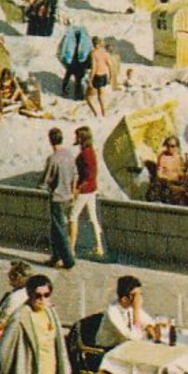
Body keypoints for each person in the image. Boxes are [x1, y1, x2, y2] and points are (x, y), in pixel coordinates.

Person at [40, 127, 77, 269]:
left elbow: (45, 180)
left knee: (59, 230)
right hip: (68, 196)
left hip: (57, 197)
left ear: (50, 140)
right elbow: (75, 175)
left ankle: (68, 260)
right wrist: (73, 193)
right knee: (56, 229)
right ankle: (55, 257)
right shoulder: (69, 155)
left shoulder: (53, 159)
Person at [95, 275, 164, 349]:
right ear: (125, 299)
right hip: (108, 350)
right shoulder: (113, 313)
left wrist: (148, 327)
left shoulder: (129, 307)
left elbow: (150, 322)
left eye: (140, 294)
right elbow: (133, 338)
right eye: (136, 296)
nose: (139, 299)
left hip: (124, 346)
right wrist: (136, 310)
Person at [70, 125, 105, 259]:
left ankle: (71, 248)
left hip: (85, 190)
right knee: (92, 218)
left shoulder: (86, 154)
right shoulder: (90, 151)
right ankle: (99, 246)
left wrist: (78, 189)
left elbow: (88, 175)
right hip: (92, 188)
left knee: (73, 216)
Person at [57, 23, 93, 99]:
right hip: (80, 62)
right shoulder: (85, 38)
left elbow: (63, 48)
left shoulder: (69, 37)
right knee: (78, 80)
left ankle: (64, 91)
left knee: (68, 76)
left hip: (71, 61)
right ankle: (78, 96)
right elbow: (88, 50)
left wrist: (64, 59)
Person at [147, 136, 188, 203]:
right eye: (168, 146)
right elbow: (159, 174)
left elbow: (180, 173)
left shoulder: (179, 158)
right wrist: (168, 178)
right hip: (166, 184)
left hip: (177, 184)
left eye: (172, 146)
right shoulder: (163, 157)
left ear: (177, 147)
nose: (169, 148)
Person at [87, 36, 113, 118]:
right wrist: (111, 76)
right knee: (101, 96)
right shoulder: (104, 53)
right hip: (104, 75)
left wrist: (90, 79)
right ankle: (104, 113)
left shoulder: (93, 53)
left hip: (96, 76)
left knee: (88, 97)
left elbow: (94, 67)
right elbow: (110, 65)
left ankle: (95, 113)